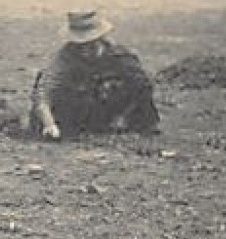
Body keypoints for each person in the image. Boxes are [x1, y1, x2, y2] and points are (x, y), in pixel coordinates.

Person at [29, 10, 161, 141]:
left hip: (115, 108)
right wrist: (49, 124)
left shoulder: (121, 56)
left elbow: (144, 87)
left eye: (90, 44)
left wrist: (123, 115)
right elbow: (43, 92)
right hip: (83, 110)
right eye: (80, 45)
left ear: (100, 39)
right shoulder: (65, 57)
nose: (85, 50)